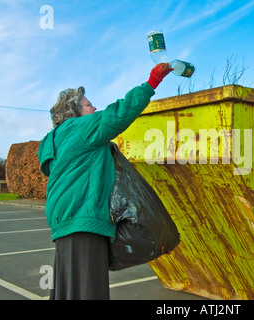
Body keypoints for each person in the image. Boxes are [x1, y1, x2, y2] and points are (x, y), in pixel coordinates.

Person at [37, 63, 173, 300]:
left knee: (70, 286)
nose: (95, 107)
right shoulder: (81, 129)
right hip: (82, 218)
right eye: (89, 104)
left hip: (65, 219)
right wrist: (152, 82)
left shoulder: (56, 139)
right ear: (75, 111)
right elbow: (118, 113)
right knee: (89, 288)